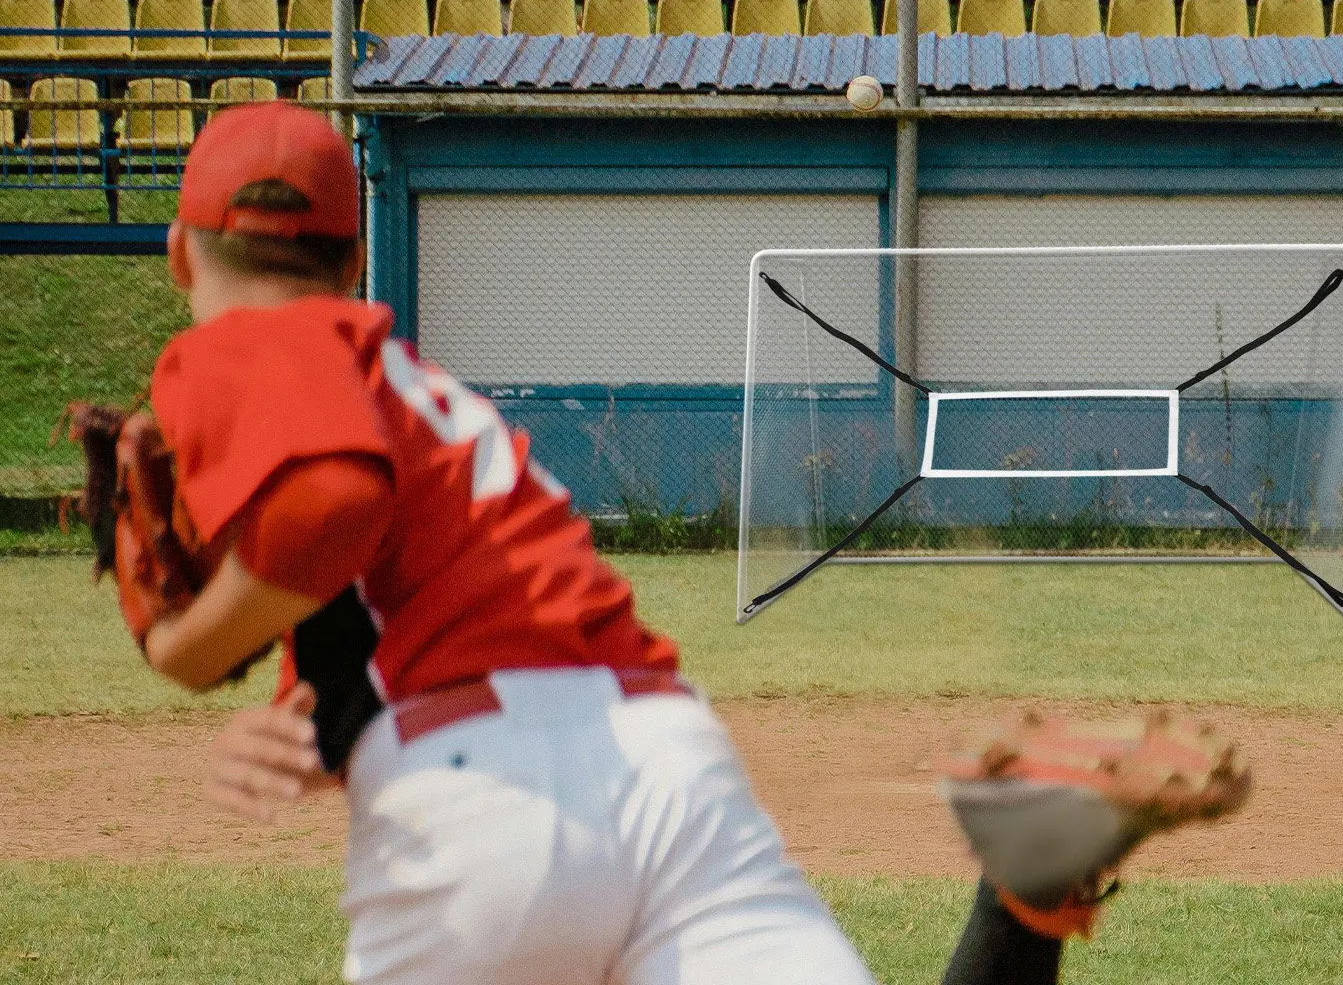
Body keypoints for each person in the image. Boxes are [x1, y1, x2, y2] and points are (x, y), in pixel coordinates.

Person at [124, 99, 1101, 985]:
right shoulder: (419, 394)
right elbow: (425, 591)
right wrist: (330, 718)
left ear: (179, 254)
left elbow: (331, 506)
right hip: (662, 755)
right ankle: (1022, 906)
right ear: (352, 264)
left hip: (477, 799)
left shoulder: (249, 339)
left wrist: (185, 644)